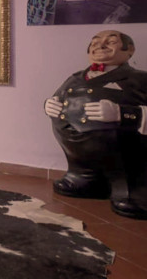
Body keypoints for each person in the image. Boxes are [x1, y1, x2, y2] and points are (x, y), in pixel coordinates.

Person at [44, 30, 147, 219]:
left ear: (129, 50)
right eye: (95, 42)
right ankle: (84, 179)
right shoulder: (75, 78)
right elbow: (57, 97)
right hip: (79, 161)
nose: (101, 45)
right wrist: (48, 105)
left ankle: (132, 190)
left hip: (129, 164)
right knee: (82, 176)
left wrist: (123, 113)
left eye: (111, 41)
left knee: (130, 174)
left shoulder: (140, 79)